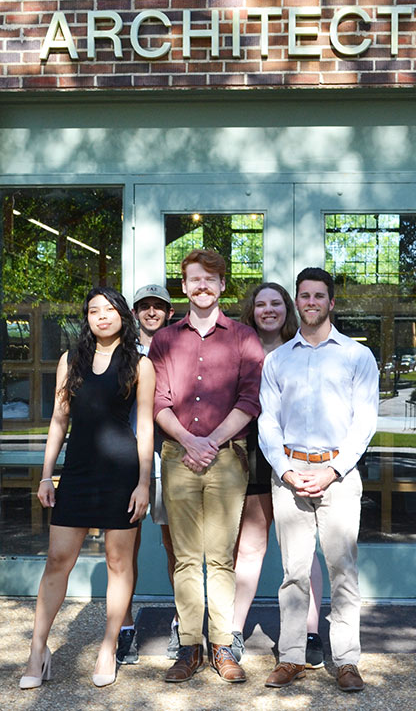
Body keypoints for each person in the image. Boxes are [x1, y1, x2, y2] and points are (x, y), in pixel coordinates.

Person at [20, 286, 154, 690]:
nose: (101, 316)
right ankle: (38, 650)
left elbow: (145, 425)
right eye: (93, 310)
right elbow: (59, 420)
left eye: (109, 309)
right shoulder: (70, 359)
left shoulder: (140, 364)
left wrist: (144, 483)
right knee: (58, 559)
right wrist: (47, 474)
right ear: (87, 318)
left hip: (121, 472)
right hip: (77, 472)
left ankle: (108, 646)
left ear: (122, 316)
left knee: (118, 563)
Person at [258, 268, 379, 692]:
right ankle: (291, 656)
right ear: (297, 301)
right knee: (293, 572)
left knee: (342, 570)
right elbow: (267, 422)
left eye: (318, 295)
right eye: (304, 295)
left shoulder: (357, 356)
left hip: (338, 476)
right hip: (289, 474)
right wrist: (287, 470)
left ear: (331, 302)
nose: (311, 302)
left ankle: (346, 661)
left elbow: (364, 423)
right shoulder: (278, 360)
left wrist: (330, 471)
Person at [148, 249, 264, 684]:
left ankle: (222, 646)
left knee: (219, 558)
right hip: (178, 457)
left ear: (221, 286)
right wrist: (188, 441)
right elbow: (157, 402)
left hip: (227, 458)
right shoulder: (165, 340)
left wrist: (211, 441)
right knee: (183, 558)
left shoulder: (243, 337)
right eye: (194, 279)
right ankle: (189, 648)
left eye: (210, 280)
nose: (202, 286)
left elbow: (250, 400)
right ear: (184, 285)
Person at [231, 282, 326, 669]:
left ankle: (310, 631)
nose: (268, 310)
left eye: (276, 303)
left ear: (288, 308)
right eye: (260, 304)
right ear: (251, 310)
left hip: (297, 456)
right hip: (252, 451)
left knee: (303, 551)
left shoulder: (304, 349)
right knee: (250, 546)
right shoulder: (238, 346)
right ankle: (233, 630)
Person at [116, 284, 180, 666]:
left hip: (170, 457)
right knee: (125, 549)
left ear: (170, 312)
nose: (152, 312)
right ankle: (124, 629)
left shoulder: (178, 350)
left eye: (159, 306)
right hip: (128, 461)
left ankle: (180, 622)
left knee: (177, 547)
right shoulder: (123, 355)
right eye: (145, 306)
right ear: (135, 312)